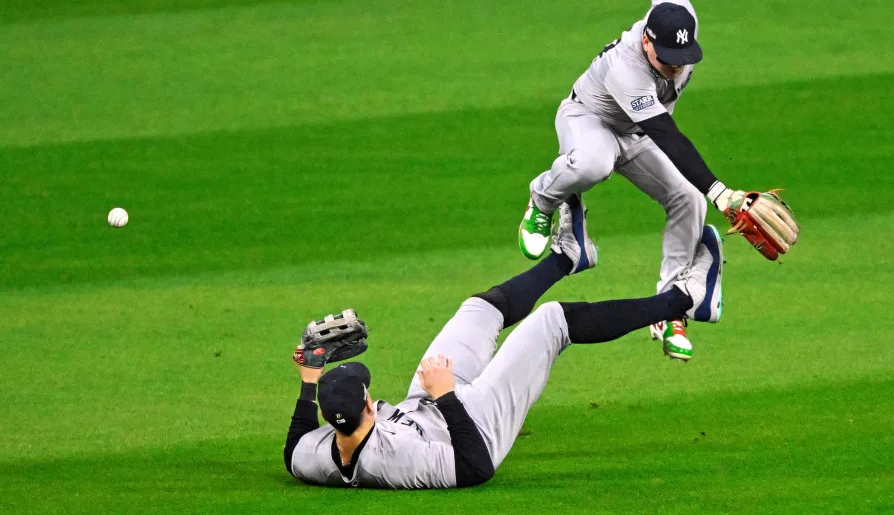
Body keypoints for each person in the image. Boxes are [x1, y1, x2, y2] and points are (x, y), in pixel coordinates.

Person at [285, 195, 723, 489]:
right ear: (365, 406)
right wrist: (449, 397)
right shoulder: (395, 459)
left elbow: (293, 452)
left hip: (429, 400)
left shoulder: (318, 454)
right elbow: (474, 467)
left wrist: (310, 378)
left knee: (479, 308)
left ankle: (569, 256)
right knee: (553, 321)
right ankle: (686, 298)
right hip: (476, 424)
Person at [517, 0, 758, 361]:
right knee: (594, 162)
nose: (675, 67)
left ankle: (670, 309)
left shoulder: (677, 15)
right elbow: (667, 134)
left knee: (688, 198)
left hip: (636, 133)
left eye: (682, 59)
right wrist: (721, 191)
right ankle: (543, 199)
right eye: (667, 60)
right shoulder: (627, 69)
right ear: (647, 41)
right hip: (590, 119)